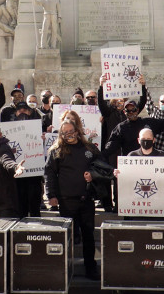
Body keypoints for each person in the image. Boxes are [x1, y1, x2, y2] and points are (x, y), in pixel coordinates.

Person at [45, 120, 105, 280]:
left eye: (71, 131)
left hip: (86, 199)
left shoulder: (89, 148)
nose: (68, 135)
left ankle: (90, 269)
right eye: (64, 133)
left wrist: (93, 174)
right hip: (66, 201)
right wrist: (51, 195)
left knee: (88, 236)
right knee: (67, 238)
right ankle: (65, 270)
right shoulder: (56, 150)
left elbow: (102, 166)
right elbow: (49, 173)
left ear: (78, 131)